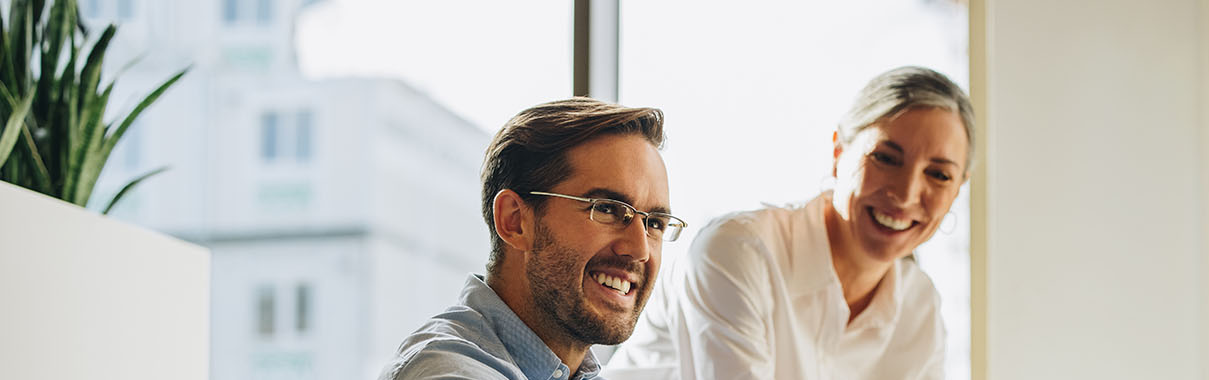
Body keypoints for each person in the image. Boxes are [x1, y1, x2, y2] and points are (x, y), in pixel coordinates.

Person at [605, 66, 974, 380]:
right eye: (886, 158)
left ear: (958, 189)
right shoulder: (738, 252)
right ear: (838, 153)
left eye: (939, 175)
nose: (907, 193)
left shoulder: (920, 303)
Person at [378, 98, 689, 380]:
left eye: (655, 223)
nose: (639, 249)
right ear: (514, 221)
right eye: (606, 209)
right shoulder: (450, 372)